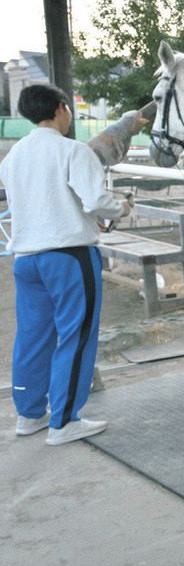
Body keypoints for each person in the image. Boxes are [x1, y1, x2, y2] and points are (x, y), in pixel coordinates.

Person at [0, 84, 131, 444]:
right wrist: (121, 207)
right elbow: (97, 200)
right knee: (76, 334)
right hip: (69, 255)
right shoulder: (73, 150)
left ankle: (29, 415)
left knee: (32, 337)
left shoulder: (13, 157)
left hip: (26, 258)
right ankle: (65, 419)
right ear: (61, 109)